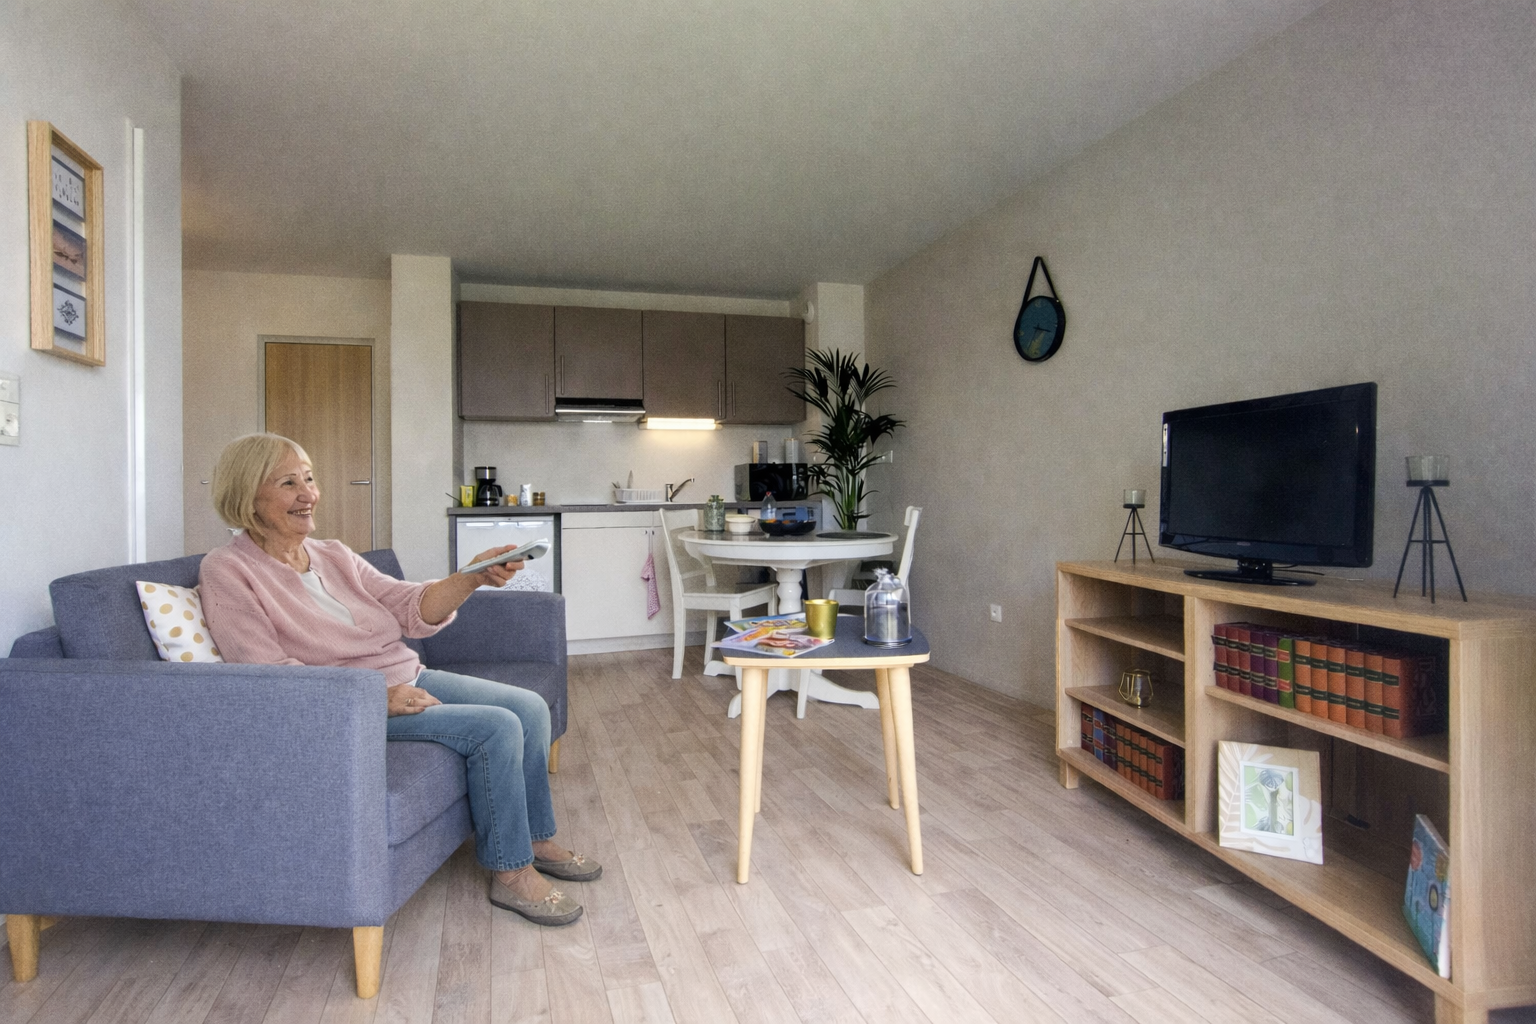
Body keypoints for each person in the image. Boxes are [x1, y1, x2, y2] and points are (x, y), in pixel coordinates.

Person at [198, 432, 598, 926]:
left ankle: (535, 837)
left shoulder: (332, 554)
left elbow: (410, 607)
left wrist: (472, 576)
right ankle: (510, 872)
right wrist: (377, 698)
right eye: (288, 483)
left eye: (309, 478)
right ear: (247, 497)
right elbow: (267, 675)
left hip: (403, 676)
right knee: (497, 727)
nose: (309, 494)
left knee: (530, 708)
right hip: (348, 707)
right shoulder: (227, 571)